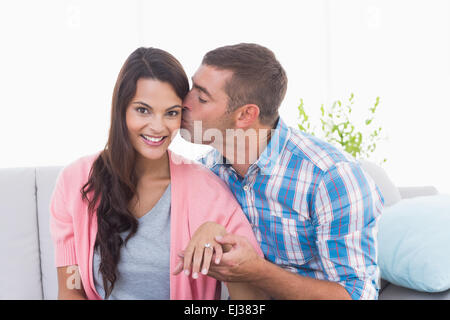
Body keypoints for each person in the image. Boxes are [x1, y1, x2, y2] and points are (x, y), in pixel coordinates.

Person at [49, 47, 265, 300]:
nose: (158, 126)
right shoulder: (75, 180)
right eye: (143, 110)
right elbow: (70, 291)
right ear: (121, 109)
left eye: (171, 113)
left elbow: (253, 302)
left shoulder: (208, 190)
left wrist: (221, 238)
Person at [178, 43, 384, 300]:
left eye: (202, 97)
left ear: (245, 115)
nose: (183, 102)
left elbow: (356, 296)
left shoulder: (330, 177)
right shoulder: (206, 173)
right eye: (191, 87)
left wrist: (255, 271)